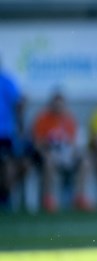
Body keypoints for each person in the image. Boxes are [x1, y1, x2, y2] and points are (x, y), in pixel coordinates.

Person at [31, 91, 92, 212]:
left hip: (66, 155)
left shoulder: (69, 120)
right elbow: (37, 143)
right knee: (49, 162)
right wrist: (47, 151)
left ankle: (80, 197)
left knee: (85, 162)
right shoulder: (42, 119)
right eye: (56, 104)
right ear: (51, 104)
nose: (58, 107)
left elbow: (73, 143)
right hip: (48, 154)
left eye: (61, 104)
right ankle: (49, 199)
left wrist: (74, 153)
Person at [0, 56, 24, 211]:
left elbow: (19, 104)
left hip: (5, 133)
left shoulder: (7, 81)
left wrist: (20, 127)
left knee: (10, 164)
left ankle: (5, 195)